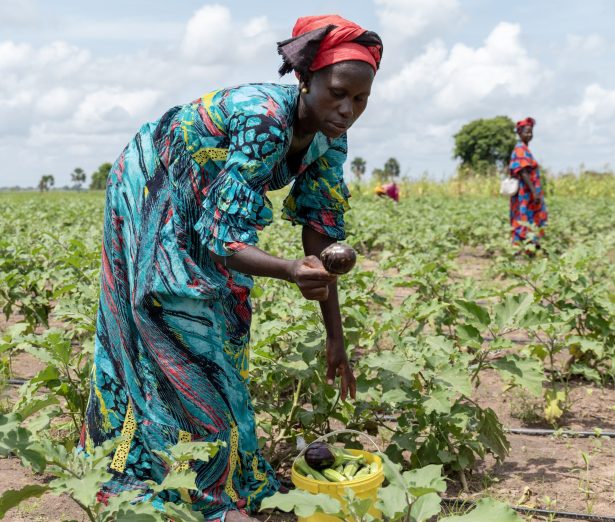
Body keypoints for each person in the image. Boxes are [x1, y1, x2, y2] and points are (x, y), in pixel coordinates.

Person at [79, 14, 382, 522]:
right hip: (155, 184)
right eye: (337, 93)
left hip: (210, 203)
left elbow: (321, 235)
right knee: (174, 317)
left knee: (225, 325)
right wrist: (289, 270)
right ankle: (187, 488)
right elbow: (224, 241)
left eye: (361, 99)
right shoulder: (265, 118)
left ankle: (225, 473)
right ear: (305, 80)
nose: (347, 109)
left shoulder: (330, 136)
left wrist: (336, 337)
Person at [509, 117, 548, 251]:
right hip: (524, 193)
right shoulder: (520, 149)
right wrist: (533, 192)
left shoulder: (524, 148)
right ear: (519, 133)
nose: (529, 135)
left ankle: (530, 246)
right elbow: (522, 172)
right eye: (526, 132)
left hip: (528, 192)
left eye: (531, 132)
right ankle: (521, 248)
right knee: (523, 217)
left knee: (529, 218)